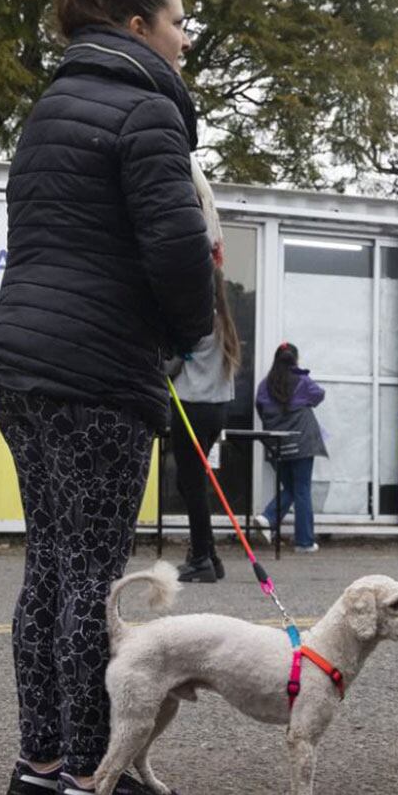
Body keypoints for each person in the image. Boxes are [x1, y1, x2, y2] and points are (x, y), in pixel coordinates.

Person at [0, 0, 213, 795]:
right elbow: (178, 250)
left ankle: (36, 765)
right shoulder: (147, 108)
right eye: (180, 22)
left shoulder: (50, 112)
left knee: (49, 569)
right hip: (97, 371)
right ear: (141, 26)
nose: (187, 40)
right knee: (93, 580)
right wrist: (186, 335)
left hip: (19, 364)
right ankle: (89, 776)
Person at [172, 191, 242, 583]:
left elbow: (172, 361)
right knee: (194, 481)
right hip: (216, 407)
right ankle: (208, 555)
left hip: (192, 405)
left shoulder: (198, 317)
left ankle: (201, 557)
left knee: (191, 483)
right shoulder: (224, 319)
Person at [254, 343, 326, 554]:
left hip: (278, 444)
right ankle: (304, 542)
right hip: (302, 443)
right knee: (301, 490)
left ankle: (267, 518)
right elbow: (319, 395)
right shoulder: (301, 380)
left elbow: (260, 408)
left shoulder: (265, 385)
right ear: (295, 360)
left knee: (291, 489)